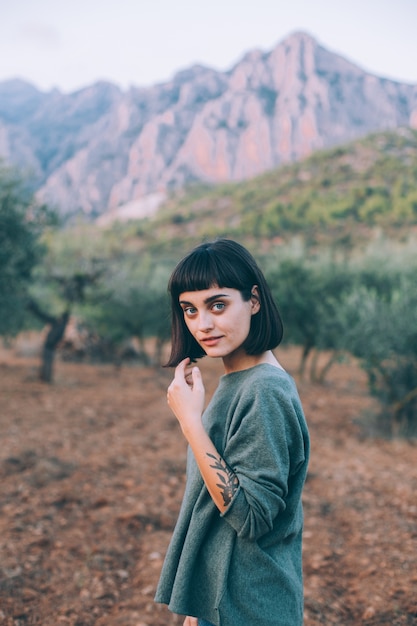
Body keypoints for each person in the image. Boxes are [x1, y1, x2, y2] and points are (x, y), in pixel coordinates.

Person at [155, 239, 310, 626]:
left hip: (250, 607)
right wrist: (201, 601)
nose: (202, 324)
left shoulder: (264, 390)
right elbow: (214, 508)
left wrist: (190, 423)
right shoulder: (237, 381)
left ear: (253, 300)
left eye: (218, 305)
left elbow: (252, 517)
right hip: (224, 601)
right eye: (190, 310)